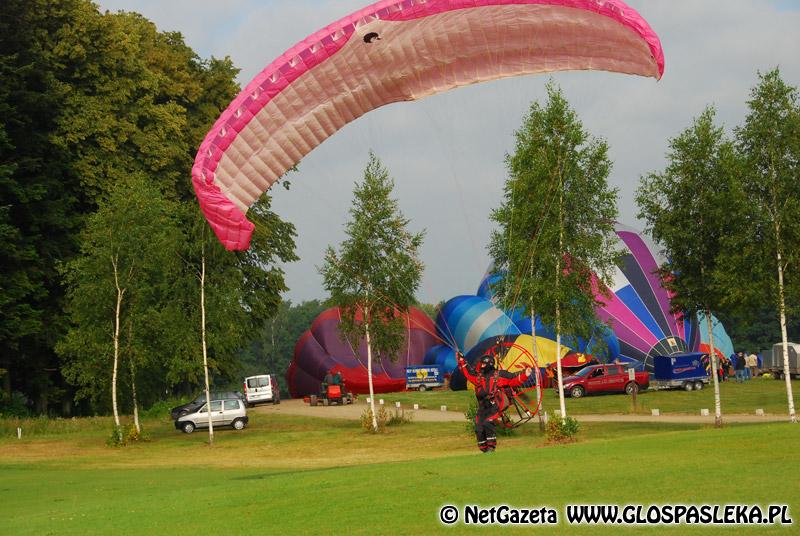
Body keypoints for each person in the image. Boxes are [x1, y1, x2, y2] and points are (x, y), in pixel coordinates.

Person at [457, 350, 532, 453]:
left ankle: (491, 449)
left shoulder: (499, 375)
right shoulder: (478, 377)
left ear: (488, 364)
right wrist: (461, 360)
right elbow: (467, 373)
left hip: (495, 405)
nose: (482, 366)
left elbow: (514, 380)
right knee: (479, 428)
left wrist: (525, 374)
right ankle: (484, 450)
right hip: (483, 407)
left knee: (488, 422)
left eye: (483, 364)